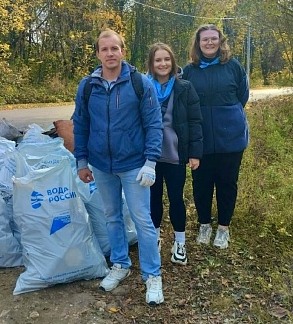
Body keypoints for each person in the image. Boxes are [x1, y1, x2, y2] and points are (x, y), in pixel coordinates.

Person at [72, 29, 164, 306]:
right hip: (101, 166)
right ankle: (120, 264)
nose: (110, 54)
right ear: (98, 53)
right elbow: (81, 124)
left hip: (134, 165)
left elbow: (153, 124)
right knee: (112, 216)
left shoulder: (140, 84)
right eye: (104, 49)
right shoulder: (88, 86)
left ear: (123, 51)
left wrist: (150, 162)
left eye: (115, 48)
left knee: (142, 220)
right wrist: (82, 161)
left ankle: (152, 275)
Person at [182, 24, 249, 249]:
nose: (209, 43)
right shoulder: (189, 70)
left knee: (227, 183)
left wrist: (228, 116)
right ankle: (204, 224)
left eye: (213, 39)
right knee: (201, 183)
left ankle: (223, 228)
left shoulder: (233, 67)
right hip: (200, 138)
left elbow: (243, 96)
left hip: (230, 138)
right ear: (198, 44)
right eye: (204, 40)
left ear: (220, 42)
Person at [147, 43, 203, 265]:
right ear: (151, 64)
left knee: (176, 199)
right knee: (152, 199)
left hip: (175, 154)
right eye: (158, 60)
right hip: (149, 156)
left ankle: (180, 243)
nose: (163, 64)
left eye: (166, 59)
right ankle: (154, 239)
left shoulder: (185, 87)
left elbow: (195, 121)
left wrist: (195, 153)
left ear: (173, 62)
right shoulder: (143, 87)